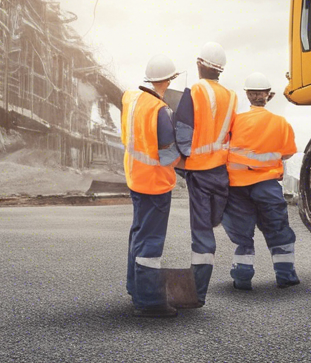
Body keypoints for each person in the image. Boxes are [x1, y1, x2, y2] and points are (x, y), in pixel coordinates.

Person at [221, 72, 299, 289]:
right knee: (278, 229)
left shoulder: (235, 121)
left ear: (247, 95)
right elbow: (287, 153)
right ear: (269, 95)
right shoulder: (280, 123)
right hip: (267, 184)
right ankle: (286, 276)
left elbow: (224, 146)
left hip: (236, 186)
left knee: (242, 234)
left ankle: (242, 277)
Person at [173, 41, 236, 306]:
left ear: (199, 64)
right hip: (221, 171)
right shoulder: (232, 96)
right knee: (210, 223)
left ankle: (196, 293)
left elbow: (183, 128)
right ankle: (198, 282)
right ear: (220, 69)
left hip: (199, 170)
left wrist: (183, 159)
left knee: (202, 231)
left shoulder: (196, 89)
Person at [121, 55, 183, 318]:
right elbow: (167, 153)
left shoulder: (131, 98)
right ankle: (149, 301)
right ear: (169, 79)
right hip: (155, 183)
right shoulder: (161, 110)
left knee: (138, 234)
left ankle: (136, 288)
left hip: (135, 176)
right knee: (151, 241)